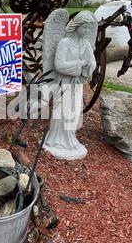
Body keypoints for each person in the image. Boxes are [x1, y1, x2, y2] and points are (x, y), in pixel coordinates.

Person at [42, 10, 98, 160]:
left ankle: (70, 138)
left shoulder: (86, 44)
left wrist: (89, 66)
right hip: (64, 83)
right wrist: (80, 64)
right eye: (84, 27)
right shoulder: (64, 43)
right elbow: (59, 65)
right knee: (63, 111)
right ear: (77, 26)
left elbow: (92, 62)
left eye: (88, 28)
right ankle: (56, 139)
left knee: (73, 112)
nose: (86, 31)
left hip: (77, 84)